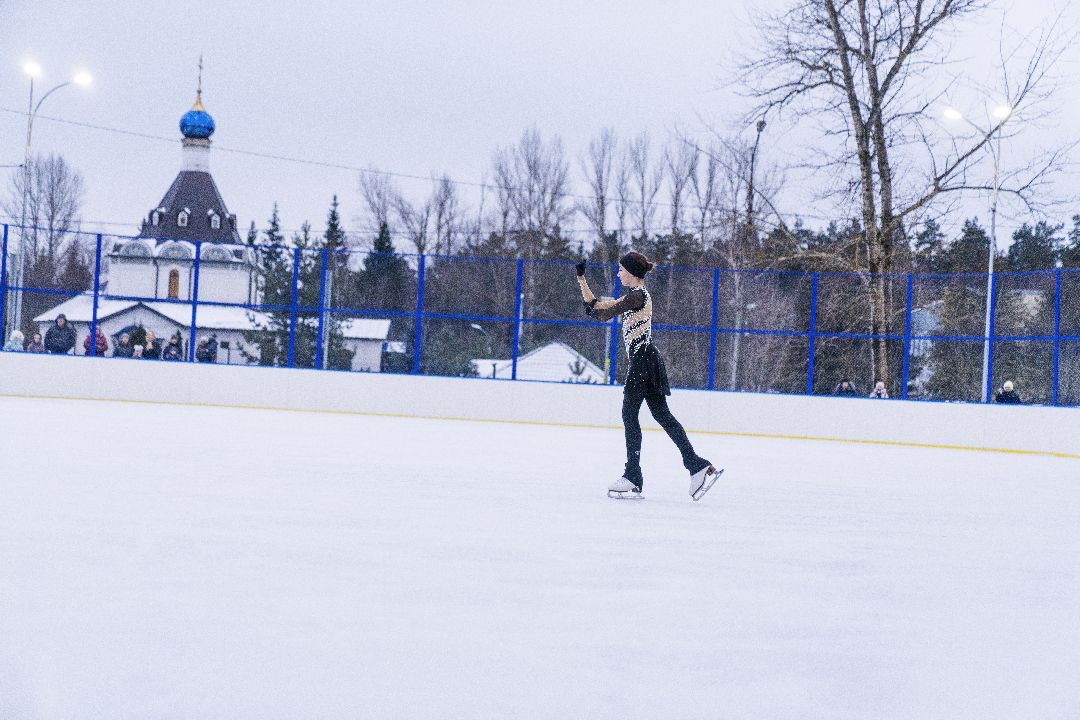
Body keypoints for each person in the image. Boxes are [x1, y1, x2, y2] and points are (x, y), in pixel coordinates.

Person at [576, 252, 721, 501]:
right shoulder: (633, 296)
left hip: (643, 360)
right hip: (648, 360)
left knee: (629, 414)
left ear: (632, 273)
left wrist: (593, 310)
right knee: (662, 415)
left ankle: (633, 476)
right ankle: (696, 464)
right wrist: (581, 279)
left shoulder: (637, 296)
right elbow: (598, 305)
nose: (618, 274)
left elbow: (602, 314)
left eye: (621, 270)